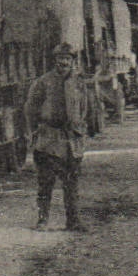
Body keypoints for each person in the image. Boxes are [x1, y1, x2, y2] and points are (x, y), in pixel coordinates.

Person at [25, 42, 89, 232]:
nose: (64, 62)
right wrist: (34, 131)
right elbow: (30, 108)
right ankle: (42, 220)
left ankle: (73, 221)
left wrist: (78, 127)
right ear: (55, 60)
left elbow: (84, 107)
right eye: (61, 58)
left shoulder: (79, 83)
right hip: (49, 139)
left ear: (73, 61)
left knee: (72, 183)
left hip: (71, 140)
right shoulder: (43, 82)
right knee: (45, 182)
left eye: (67, 59)